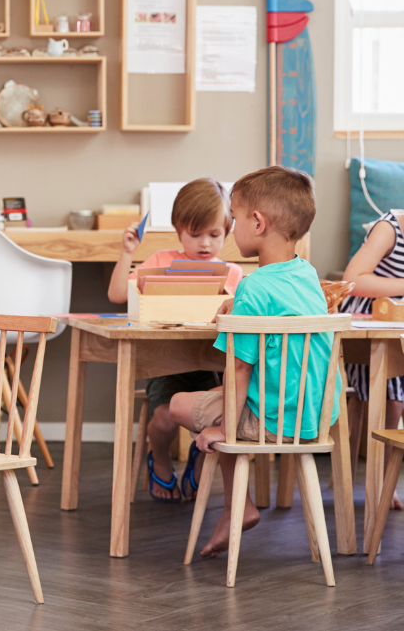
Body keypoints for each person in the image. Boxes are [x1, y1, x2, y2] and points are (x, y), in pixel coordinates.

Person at [169, 166, 336, 558]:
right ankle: (235, 501)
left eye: (235, 216)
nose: (231, 226)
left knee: (178, 403)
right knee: (219, 393)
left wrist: (225, 429)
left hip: (267, 422)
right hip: (308, 419)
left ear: (257, 222)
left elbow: (240, 369)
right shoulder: (306, 276)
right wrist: (238, 307)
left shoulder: (253, 287)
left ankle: (237, 505)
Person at [107, 178, 243, 502]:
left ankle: (199, 453)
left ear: (227, 231)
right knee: (164, 417)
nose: (205, 243)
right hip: (164, 362)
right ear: (179, 230)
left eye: (215, 234)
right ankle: (161, 456)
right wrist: (128, 253)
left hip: (211, 365)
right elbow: (115, 294)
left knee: (221, 412)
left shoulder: (233, 273)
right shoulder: (160, 260)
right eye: (194, 234)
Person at [341, 210, 404, 509]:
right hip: (367, 332)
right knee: (393, 397)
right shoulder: (389, 228)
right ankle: (380, 480)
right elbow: (353, 280)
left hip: (399, 330)